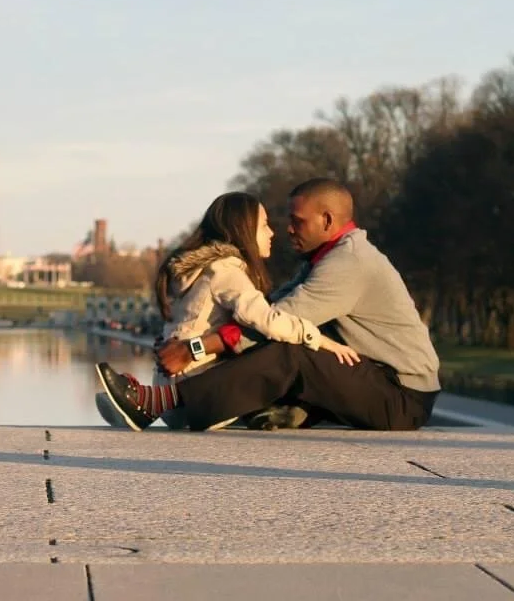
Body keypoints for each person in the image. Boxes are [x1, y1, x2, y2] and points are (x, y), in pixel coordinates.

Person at [96, 178, 441, 432]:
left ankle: (159, 402)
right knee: (285, 346)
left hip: (401, 395)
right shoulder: (321, 260)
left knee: (292, 352)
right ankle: (199, 405)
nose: (287, 230)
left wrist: (196, 348)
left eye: (297, 221)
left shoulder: (349, 263)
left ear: (327, 221)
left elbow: (278, 322)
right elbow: (271, 307)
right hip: (372, 378)